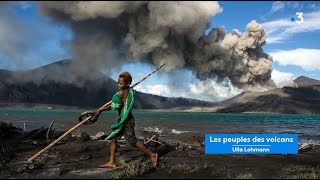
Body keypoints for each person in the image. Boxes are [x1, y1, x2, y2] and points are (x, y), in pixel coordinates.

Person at [95, 71, 158, 168]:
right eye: (118, 83)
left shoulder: (120, 94)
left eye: (121, 83)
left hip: (127, 121)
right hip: (123, 120)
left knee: (133, 141)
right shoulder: (129, 91)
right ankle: (111, 162)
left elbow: (113, 107)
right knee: (114, 138)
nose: (119, 85)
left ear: (127, 83)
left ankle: (152, 155)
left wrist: (101, 110)